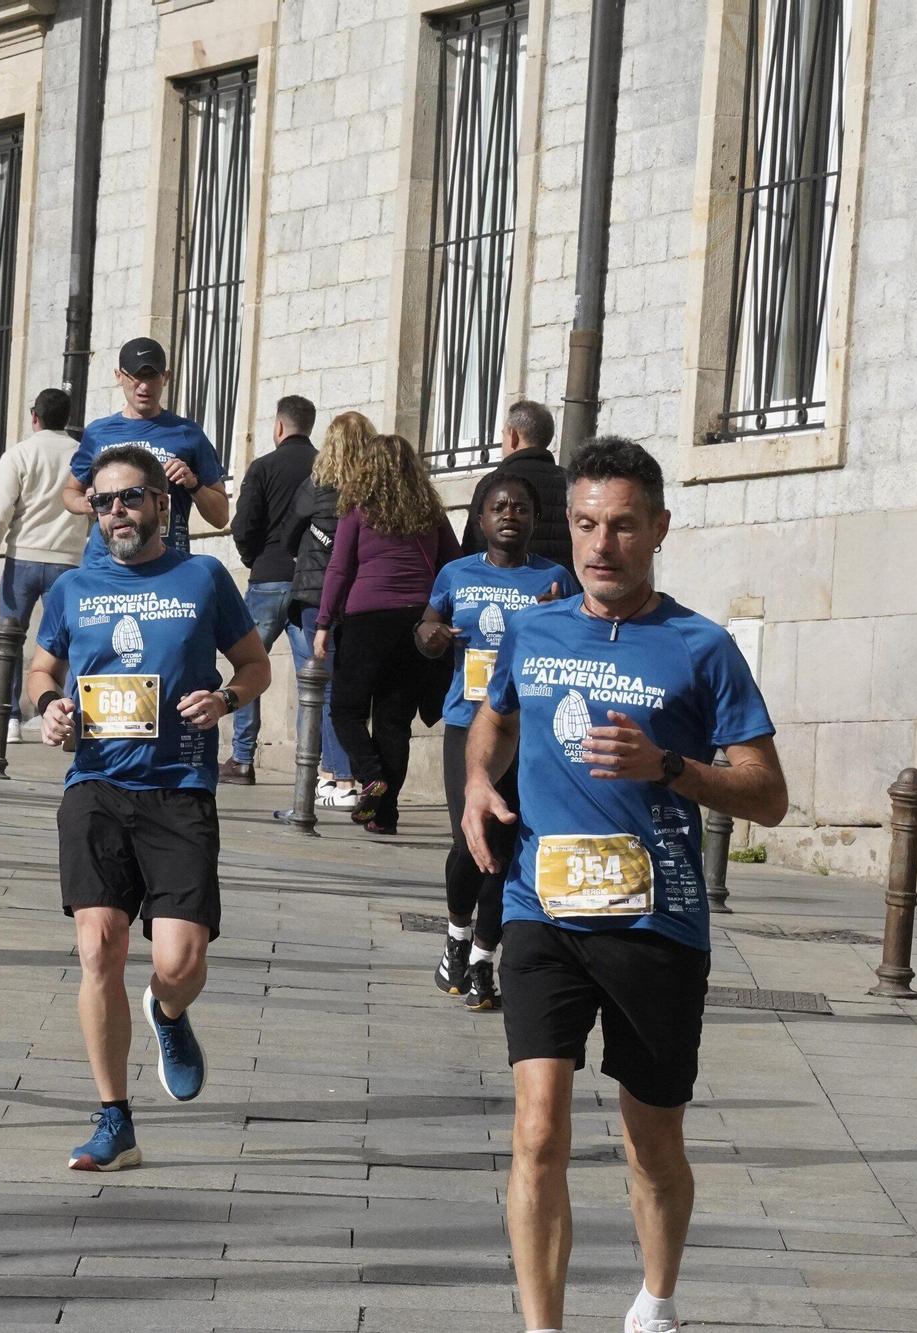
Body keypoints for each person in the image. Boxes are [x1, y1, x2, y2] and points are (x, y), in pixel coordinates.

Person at [463, 437, 786, 1333]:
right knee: (537, 1131)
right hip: (542, 909)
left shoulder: (702, 647)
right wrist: (476, 785)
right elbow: (493, 719)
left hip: (657, 922)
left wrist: (670, 766)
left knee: (652, 1143)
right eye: (586, 525)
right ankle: (543, 1326)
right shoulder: (535, 625)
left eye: (623, 527)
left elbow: (769, 796)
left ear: (659, 531)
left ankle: (657, 1298)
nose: (601, 545)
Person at [28, 444, 268, 1171]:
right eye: (103, 502)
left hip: (180, 788)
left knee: (181, 958)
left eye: (130, 498)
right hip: (96, 785)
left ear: (161, 504)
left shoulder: (202, 576)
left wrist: (225, 696)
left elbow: (255, 665)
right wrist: (49, 706)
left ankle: (166, 1009)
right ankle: (114, 1119)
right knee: (99, 944)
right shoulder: (72, 589)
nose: (117, 512)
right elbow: (43, 666)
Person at [416, 472, 571, 1011]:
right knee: (471, 840)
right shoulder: (455, 574)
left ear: (535, 519)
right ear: (480, 520)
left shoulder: (555, 579)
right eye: (498, 507)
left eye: (521, 507)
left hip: (527, 730)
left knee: (505, 849)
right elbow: (426, 630)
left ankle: (483, 959)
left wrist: (558, 616)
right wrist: (431, 637)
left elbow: (573, 645)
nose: (510, 515)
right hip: (468, 723)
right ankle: (457, 935)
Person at [312, 433, 458, 834]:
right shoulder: (430, 511)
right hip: (416, 623)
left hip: (366, 620)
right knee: (394, 722)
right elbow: (453, 565)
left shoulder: (358, 509)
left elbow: (339, 568)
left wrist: (324, 622)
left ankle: (370, 775)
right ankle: (385, 816)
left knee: (346, 709)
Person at [272, 411, 370, 817]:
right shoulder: (372, 491)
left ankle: (339, 777)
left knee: (321, 689)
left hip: (315, 596)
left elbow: (289, 536)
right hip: (359, 599)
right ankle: (339, 775)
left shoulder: (317, 486)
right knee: (349, 689)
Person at [0, 388, 85, 744]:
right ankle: (66, 716)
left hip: (22, 556)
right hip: (68, 560)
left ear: (34, 416)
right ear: (67, 418)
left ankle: (10, 719)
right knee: (65, 645)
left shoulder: (20, 454)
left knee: (11, 643)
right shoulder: (82, 455)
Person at [61, 339, 228, 565]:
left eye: (152, 377)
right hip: (105, 563)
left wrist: (193, 483)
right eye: (136, 377)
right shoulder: (98, 433)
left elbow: (220, 517)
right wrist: (85, 503)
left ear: (166, 377)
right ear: (119, 376)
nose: (144, 387)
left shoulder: (188, 433)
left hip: (165, 564)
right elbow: (70, 492)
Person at [222, 394, 317, 782]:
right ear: (309, 426)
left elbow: (242, 525)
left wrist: (253, 558)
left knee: (249, 664)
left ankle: (243, 758)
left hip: (267, 577)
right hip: (311, 581)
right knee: (312, 675)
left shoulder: (263, 467)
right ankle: (316, 767)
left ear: (278, 427)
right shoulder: (326, 467)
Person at [461, 400, 572, 577]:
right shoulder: (571, 482)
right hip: (562, 591)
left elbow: (474, 546)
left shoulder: (492, 483)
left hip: (503, 588)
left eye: (503, 434)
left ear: (513, 436)